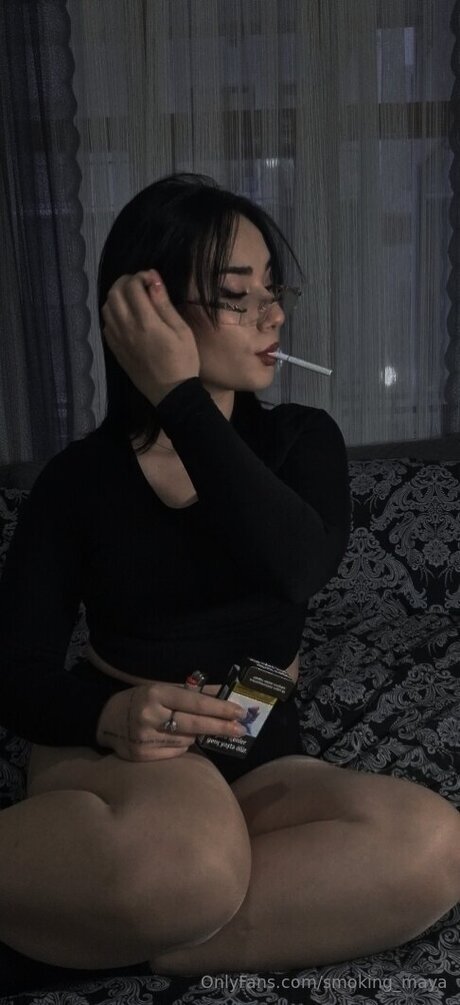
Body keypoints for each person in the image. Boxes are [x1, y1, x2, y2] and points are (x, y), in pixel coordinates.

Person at [0, 172, 459, 977]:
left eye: (273, 291)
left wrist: (182, 401)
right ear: (150, 312)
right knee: (196, 852)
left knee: (434, 844)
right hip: (122, 750)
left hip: (258, 744)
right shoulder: (78, 480)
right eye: (237, 296)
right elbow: (17, 674)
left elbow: (296, 567)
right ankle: (158, 891)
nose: (273, 315)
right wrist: (113, 716)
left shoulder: (301, 440)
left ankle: (134, 927)